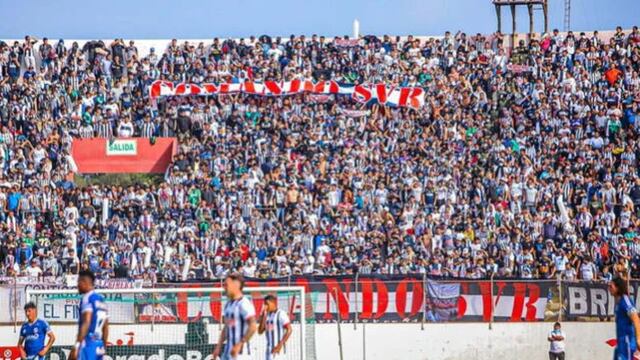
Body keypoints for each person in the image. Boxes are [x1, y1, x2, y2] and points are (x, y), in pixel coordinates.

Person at [212, 274, 257, 360]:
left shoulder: (244, 303)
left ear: (236, 285)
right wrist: (218, 347)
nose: (224, 288)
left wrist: (240, 344)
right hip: (228, 351)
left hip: (242, 353)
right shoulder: (229, 304)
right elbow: (226, 327)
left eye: (226, 285)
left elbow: (253, 326)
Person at [69, 270, 109, 360]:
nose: (77, 285)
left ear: (85, 282)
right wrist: (104, 346)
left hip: (88, 343)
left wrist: (77, 345)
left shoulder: (87, 298)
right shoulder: (101, 300)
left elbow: (87, 322)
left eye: (78, 282)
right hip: (99, 344)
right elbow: (106, 326)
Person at [609, 276, 640, 360]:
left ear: (618, 288)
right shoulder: (618, 303)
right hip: (621, 344)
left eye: (611, 286)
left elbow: (636, 319)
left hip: (627, 343)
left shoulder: (625, 301)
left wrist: (638, 339)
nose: (609, 289)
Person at [258, 294, 292, 359]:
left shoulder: (281, 314)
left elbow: (289, 330)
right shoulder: (267, 315)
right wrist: (263, 316)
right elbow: (260, 331)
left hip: (278, 351)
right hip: (269, 351)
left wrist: (280, 345)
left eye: (267, 304)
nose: (265, 306)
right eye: (264, 304)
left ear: (273, 303)